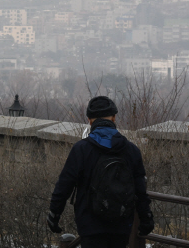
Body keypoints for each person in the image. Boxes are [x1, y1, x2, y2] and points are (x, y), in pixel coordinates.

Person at [47, 96, 154, 248]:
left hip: (90, 225)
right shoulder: (131, 150)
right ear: (114, 118)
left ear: (90, 120)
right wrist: (146, 217)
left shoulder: (81, 149)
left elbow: (64, 184)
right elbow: (140, 190)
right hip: (121, 224)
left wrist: (54, 214)